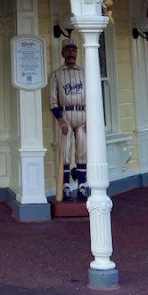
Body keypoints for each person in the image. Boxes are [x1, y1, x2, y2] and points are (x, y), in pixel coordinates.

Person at [49, 40, 87, 200]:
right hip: (66, 115)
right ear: (63, 53)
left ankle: (82, 186)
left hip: (82, 115)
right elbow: (52, 101)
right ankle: (65, 187)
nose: (71, 53)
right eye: (68, 50)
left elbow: (92, 97)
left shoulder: (84, 73)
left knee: (82, 152)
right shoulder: (57, 74)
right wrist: (60, 120)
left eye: (73, 50)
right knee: (65, 153)